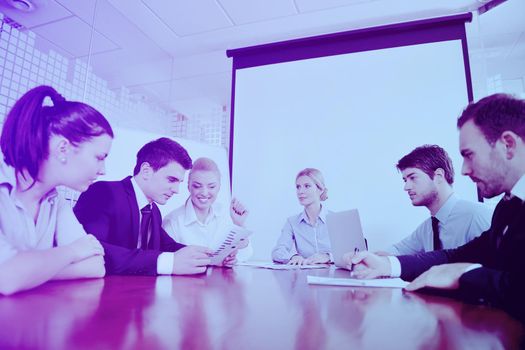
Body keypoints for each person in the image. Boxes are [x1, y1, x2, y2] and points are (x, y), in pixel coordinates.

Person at [345, 94, 525, 317]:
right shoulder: (508, 207)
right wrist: (387, 266)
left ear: (508, 145)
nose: (464, 170)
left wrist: (462, 275)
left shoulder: (484, 213)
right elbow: (457, 255)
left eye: (469, 155)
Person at [0, 85, 112, 295]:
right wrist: (71, 252)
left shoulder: (55, 199)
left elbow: (96, 266)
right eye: (99, 157)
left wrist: (29, 270)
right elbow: (6, 277)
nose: (103, 170)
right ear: (63, 149)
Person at [74, 137, 216, 276]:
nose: (176, 190)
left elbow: (169, 247)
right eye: (171, 180)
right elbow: (92, 249)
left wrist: (211, 258)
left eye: (179, 182)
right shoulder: (103, 193)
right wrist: (166, 262)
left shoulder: (153, 212)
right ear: (146, 170)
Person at [384, 145, 492, 255]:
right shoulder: (426, 229)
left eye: (413, 178)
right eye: (405, 180)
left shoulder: (477, 216)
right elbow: (397, 251)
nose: (406, 187)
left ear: (439, 176)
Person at [163, 157, 253, 262]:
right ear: (188, 186)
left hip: (220, 278)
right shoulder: (172, 221)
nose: (204, 193)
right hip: (187, 278)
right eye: (197, 186)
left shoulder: (226, 215)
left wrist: (239, 225)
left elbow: (247, 254)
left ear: (219, 187)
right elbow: (170, 261)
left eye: (211, 187)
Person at [272, 168, 331, 265]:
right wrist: (292, 257)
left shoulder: (336, 219)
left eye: (307, 186)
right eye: (298, 187)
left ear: (320, 189)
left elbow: (352, 253)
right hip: (304, 276)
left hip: (333, 277)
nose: (300, 191)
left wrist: (328, 257)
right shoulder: (292, 222)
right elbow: (277, 252)